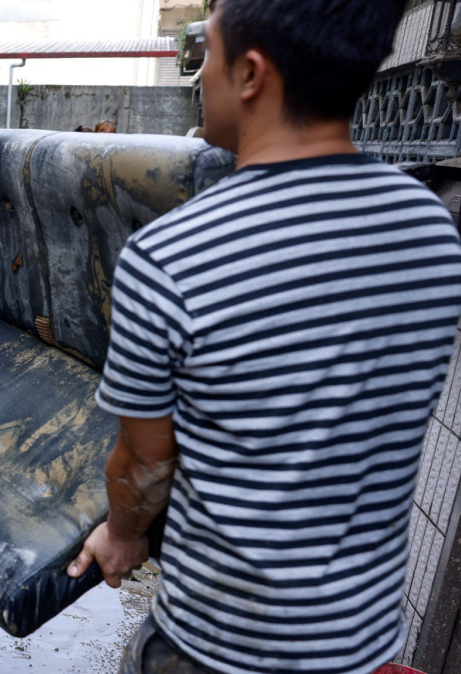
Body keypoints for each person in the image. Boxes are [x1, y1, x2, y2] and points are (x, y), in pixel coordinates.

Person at [66, 1, 461, 673]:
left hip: (216, 645)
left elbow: (142, 463)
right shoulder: (430, 230)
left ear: (249, 74)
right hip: (359, 644)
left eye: (208, 58)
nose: (199, 79)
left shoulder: (172, 254)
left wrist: (121, 534)